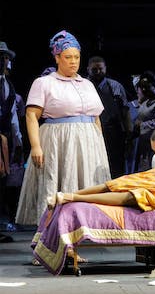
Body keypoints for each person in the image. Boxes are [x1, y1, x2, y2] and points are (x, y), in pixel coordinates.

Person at [15, 30, 111, 228]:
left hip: (88, 142)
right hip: (59, 141)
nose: (73, 62)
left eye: (76, 57)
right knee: (58, 183)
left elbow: (96, 117)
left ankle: (81, 231)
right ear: (57, 57)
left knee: (86, 184)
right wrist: (35, 146)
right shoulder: (44, 83)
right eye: (68, 57)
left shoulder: (87, 84)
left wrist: (99, 144)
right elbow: (32, 115)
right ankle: (50, 234)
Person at [87, 56, 132, 178]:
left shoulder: (115, 86)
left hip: (113, 132)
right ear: (88, 69)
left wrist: (129, 132)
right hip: (89, 131)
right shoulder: (83, 86)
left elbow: (125, 110)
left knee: (115, 164)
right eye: (94, 69)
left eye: (100, 69)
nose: (98, 72)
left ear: (105, 69)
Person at [0, 41, 22, 242]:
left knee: (2, 182)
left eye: (5, 57)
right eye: (1, 56)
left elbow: (13, 116)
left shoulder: (8, 85)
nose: (3, 60)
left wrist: (18, 141)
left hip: (4, 137)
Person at [132, 70, 155, 172]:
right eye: (142, 87)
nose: (144, 89)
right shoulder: (144, 103)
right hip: (141, 145)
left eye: (147, 86)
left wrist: (140, 125)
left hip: (154, 145)